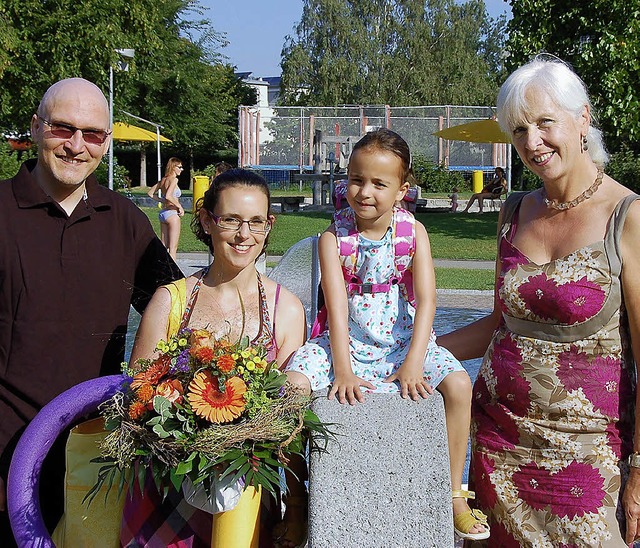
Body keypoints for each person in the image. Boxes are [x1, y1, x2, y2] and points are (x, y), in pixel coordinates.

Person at [439, 56, 640, 546]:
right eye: (519, 129)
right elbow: (499, 325)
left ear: (583, 119)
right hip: (498, 447)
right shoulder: (513, 212)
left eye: (545, 122)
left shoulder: (627, 216)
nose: (532, 143)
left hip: (592, 457)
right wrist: (411, 353)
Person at [0, 78, 183, 543]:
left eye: (94, 134)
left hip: (92, 452)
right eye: (63, 129)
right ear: (37, 127)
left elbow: (181, 306)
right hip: (4, 453)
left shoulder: (123, 220)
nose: (77, 146)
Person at [285, 129, 490, 541]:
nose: (365, 192)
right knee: (291, 386)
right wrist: (341, 368)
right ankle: (296, 498)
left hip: (399, 340)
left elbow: (428, 302)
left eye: (380, 183)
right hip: (344, 341)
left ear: (402, 189)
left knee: (459, 384)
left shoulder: (412, 234)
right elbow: (336, 308)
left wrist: (415, 361)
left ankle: (454, 494)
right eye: (357, 179)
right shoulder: (333, 238)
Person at [120, 168, 307, 546]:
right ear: (206, 220)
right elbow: (135, 401)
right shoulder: (170, 301)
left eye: (256, 222)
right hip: (163, 494)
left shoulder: (285, 309)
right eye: (232, 220)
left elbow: (292, 425)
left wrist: (298, 503)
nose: (244, 235)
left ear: (269, 226)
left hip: (248, 502)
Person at [147, 157, 184, 259]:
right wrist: (179, 206)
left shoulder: (163, 180)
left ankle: (162, 271)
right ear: (173, 167)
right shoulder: (174, 180)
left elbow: (150, 193)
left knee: (164, 248)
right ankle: (173, 274)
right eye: (180, 167)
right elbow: (169, 195)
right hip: (172, 214)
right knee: (172, 249)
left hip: (163, 213)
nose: (181, 169)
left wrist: (162, 200)